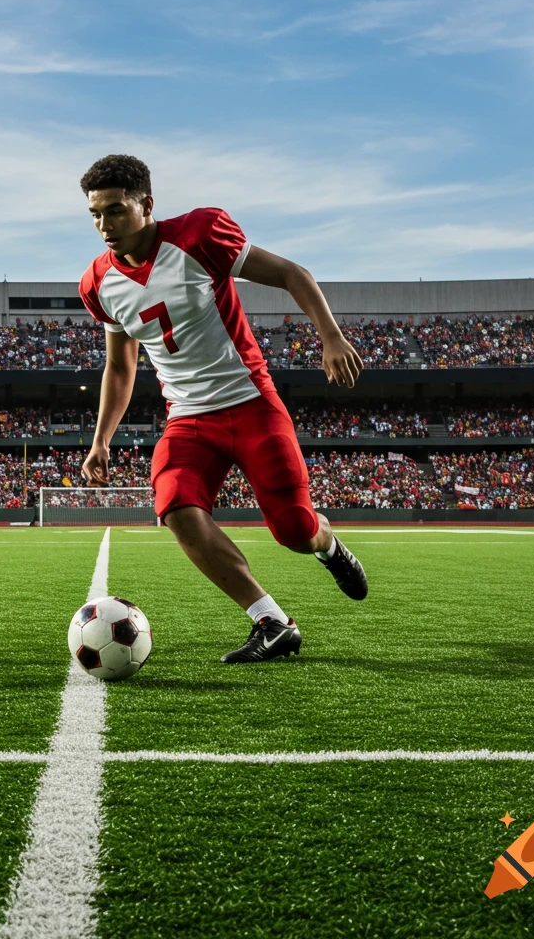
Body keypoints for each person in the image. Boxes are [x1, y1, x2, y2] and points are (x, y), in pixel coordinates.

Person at [77, 154, 368, 664]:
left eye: (117, 210)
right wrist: (102, 439)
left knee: (293, 530)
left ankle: (327, 545)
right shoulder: (98, 283)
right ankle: (272, 622)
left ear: (147, 204)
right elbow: (120, 368)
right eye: (96, 214)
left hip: (250, 403)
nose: (105, 225)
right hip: (188, 418)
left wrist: (331, 337)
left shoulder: (198, 234)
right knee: (175, 507)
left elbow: (290, 273)